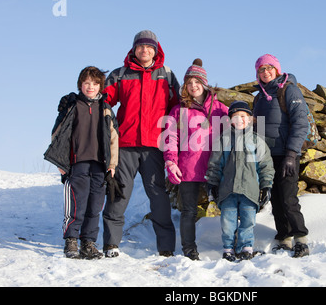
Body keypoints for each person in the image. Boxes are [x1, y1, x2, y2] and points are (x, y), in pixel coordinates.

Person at [101, 30, 180, 258]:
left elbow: (177, 106)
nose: (144, 51)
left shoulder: (166, 74)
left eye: (149, 47)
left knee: (158, 196)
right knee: (119, 193)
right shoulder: (120, 74)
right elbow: (103, 100)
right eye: (140, 47)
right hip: (125, 144)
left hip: (154, 145)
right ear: (134, 49)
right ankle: (111, 245)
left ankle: (166, 248)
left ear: (156, 50)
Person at [44, 66, 119, 259]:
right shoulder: (72, 105)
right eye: (86, 83)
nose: (90, 87)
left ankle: (88, 242)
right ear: (80, 84)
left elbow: (113, 137)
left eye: (94, 83)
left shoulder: (105, 109)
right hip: (77, 163)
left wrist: (112, 165)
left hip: (99, 164)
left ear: (100, 86)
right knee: (77, 204)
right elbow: (58, 134)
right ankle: (71, 240)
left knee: (95, 206)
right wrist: (61, 161)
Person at [161, 59, 229, 260]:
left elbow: (233, 135)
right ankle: (189, 249)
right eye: (189, 83)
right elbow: (170, 138)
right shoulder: (178, 110)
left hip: (214, 167)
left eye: (196, 82)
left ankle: (229, 247)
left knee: (226, 208)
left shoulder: (220, 109)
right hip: (188, 168)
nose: (193, 87)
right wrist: (171, 161)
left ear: (204, 83)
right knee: (188, 211)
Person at [252, 54, 310, 258]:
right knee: (275, 200)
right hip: (267, 157)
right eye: (261, 69)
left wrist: (291, 154)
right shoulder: (258, 97)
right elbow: (256, 130)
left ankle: (300, 238)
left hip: (287, 154)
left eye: (269, 68)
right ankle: (283, 237)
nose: (265, 72)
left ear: (277, 69)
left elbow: (301, 123)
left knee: (288, 198)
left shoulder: (289, 89)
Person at [205, 101, 274, 261]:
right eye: (235, 117)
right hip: (227, 190)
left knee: (248, 221)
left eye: (243, 116)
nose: (239, 120)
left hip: (250, 190)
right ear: (230, 121)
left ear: (250, 119)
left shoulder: (257, 141)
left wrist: (266, 186)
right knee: (227, 222)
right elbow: (215, 164)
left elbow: (266, 166)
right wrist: (212, 183)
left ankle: (246, 247)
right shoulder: (223, 140)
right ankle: (228, 248)